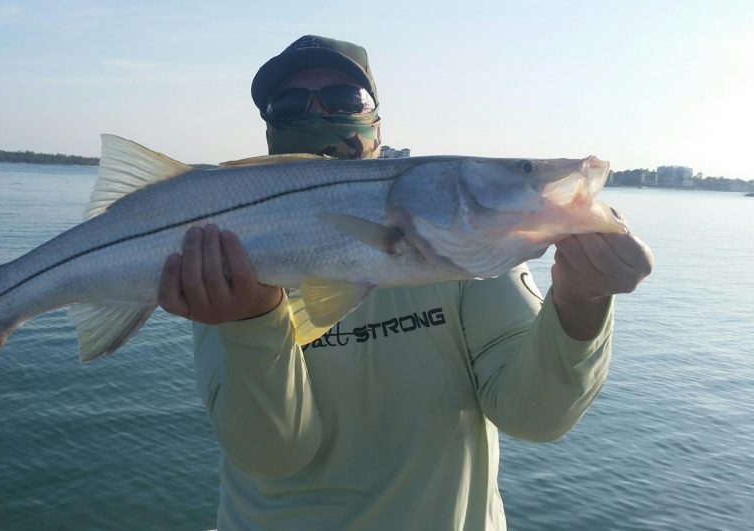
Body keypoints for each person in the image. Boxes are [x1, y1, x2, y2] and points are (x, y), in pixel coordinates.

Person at [157, 36, 653, 530]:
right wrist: (252, 322)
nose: (319, 113)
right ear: (268, 127)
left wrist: (581, 298)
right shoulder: (226, 254)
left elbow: (536, 417)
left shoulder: (478, 254)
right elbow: (273, 454)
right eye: (289, 103)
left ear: (376, 119)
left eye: (344, 98)